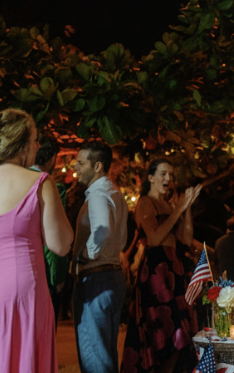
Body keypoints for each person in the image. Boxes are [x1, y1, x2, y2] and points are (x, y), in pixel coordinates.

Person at [0, 108, 73, 373]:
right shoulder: (40, 182)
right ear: (21, 144)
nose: (38, 146)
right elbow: (61, 244)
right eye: (34, 140)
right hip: (25, 291)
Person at [121, 158, 202, 373]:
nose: (169, 178)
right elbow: (155, 238)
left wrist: (186, 209)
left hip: (174, 269)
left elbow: (185, 239)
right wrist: (178, 210)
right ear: (151, 178)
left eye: (171, 175)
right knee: (166, 335)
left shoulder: (170, 205)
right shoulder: (145, 202)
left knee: (182, 332)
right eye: (164, 174)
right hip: (156, 272)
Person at [72, 140, 128, 373]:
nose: (75, 167)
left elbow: (102, 229)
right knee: (105, 352)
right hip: (111, 276)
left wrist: (85, 256)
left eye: (80, 163)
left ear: (97, 166)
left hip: (96, 278)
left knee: (94, 354)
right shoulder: (114, 192)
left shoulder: (97, 193)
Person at [30, 134, 69, 322]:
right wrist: (58, 275)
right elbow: (55, 238)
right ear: (53, 157)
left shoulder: (9, 181)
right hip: (42, 270)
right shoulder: (50, 185)